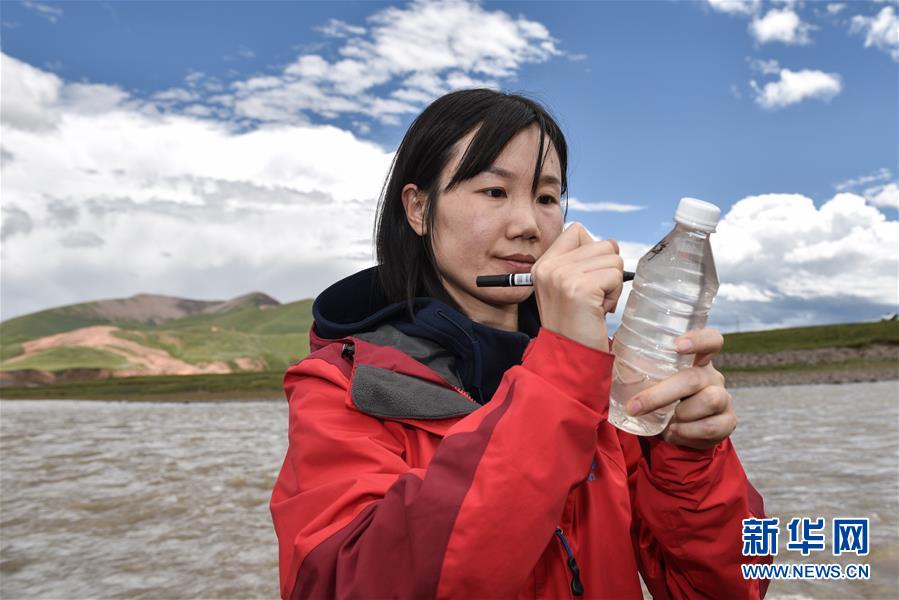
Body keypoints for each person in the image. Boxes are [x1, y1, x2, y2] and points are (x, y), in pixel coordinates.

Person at [270, 89, 771, 599]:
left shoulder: (609, 378)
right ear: (418, 208)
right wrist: (562, 373)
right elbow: (346, 585)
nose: (529, 226)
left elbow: (735, 587)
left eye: (547, 198)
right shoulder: (339, 386)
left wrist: (688, 459)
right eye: (494, 191)